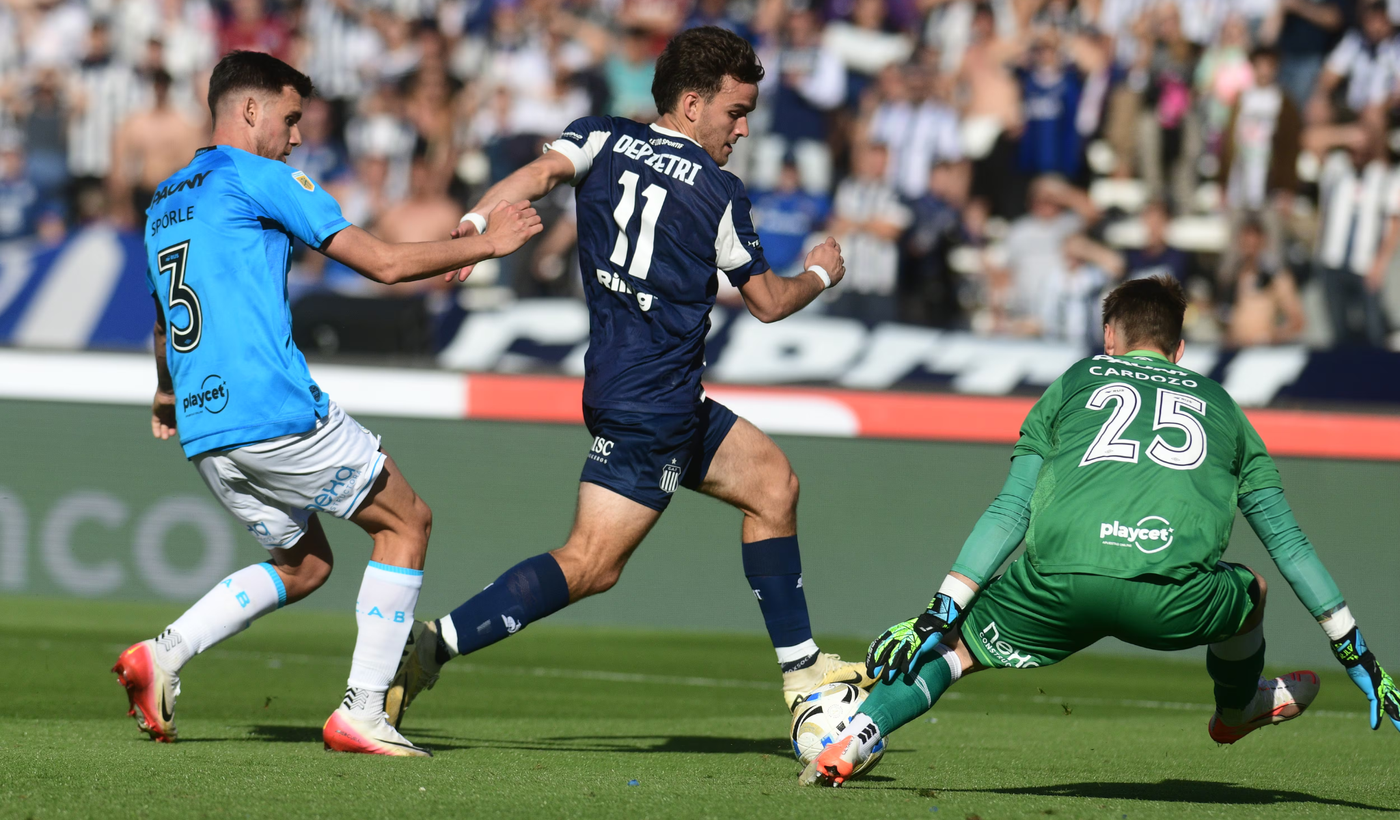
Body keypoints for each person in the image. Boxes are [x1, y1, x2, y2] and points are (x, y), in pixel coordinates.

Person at [386, 27, 868, 728]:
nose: (742, 129)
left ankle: (801, 671)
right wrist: (822, 272)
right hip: (656, 404)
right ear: (693, 102)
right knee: (589, 563)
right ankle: (431, 647)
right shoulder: (718, 193)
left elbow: (537, 174)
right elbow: (768, 303)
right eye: (736, 112)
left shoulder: (600, 138)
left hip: (631, 384)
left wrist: (474, 220)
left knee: (772, 483)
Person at [800, 276, 1400, 786]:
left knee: (952, 650)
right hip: (1170, 598)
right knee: (1252, 592)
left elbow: (1012, 509)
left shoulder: (1076, 381)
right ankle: (1236, 707)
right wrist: (1355, 651)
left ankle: (855, 736)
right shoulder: (1224, 407)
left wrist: (940, 608)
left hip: (1058, 585)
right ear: (1180, 348)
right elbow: (1289, 543)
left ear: (1109, 338)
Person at [110, 51, 542, 758]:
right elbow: (384, 264)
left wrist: (165, 392)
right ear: (249, 111)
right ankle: (363, 712)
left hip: (205, 425)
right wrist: (491, 244)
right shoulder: (261, 177)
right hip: (272, 408)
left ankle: (164, 654)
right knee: (407, 524)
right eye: (289, 117)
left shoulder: (165, 200)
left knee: (305, 564)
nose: (298, 135)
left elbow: (164, 320)